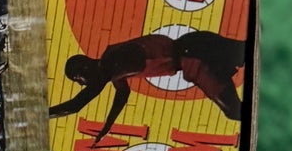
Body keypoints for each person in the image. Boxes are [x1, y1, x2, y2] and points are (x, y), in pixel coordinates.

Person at [48, 28, 245, 142]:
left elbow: (76, 105)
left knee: (234, 110)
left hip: (193, 55)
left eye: (79, 79)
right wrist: (106, 127)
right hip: (193, 48)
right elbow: (122, 95)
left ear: (85, 67)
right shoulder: (113, 65)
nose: (82, 84)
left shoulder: (111, 65)